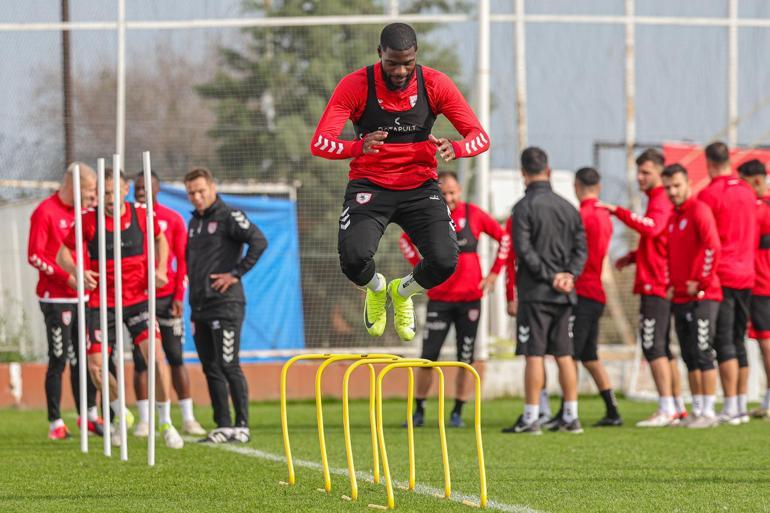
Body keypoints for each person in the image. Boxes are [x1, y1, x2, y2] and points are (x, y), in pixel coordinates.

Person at [310, 23, 489, 342]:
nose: (400, 70)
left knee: (446, 260)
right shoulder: (356, 85)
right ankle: (377, 290)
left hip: (419, 188)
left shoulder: (435, 84)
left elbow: (480, 137)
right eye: (392, 62)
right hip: (370, 187)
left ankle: (402, 292)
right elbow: (320, 142)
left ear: (416, 56)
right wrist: (357, 146)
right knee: (352, 260)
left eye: (408, 62)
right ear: (380, 54)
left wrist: (456, 147)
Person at [57, 170, 184, 449]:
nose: (111, 200)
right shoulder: (89, 220)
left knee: (156, 357)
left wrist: (161, 268)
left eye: (116, 192)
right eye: (105, 194)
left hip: (138, 299)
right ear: (98, 195)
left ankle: (165, 421)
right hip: (103, 302)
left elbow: (162, 239)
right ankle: (120, 413)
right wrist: (79, 272)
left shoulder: (142, 215)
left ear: (126, 189)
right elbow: (62, 254)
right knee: (96, 367)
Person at [399, 171, 509, 428]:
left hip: (470, 300)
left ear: (459, 191)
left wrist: (493, 275)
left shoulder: (474, 214)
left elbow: (504, 238)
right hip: (439, 299)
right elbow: (404, 240)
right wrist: (421, 270)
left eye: (452, 192)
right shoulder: (428, 214)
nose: (448, 198)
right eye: (444, 193)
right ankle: (419, 411)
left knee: (465, 358)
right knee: (428, 357)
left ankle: (458, 411)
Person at [502, 147, 587, 435]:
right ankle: (571, 416)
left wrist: (550, 278)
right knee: (565, 354)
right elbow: (581, 248)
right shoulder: (568, 207)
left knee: (534, 355)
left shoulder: (523, 208)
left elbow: (523, 251)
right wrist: (569, 276)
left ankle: (531, 417)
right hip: (564, 293)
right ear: (548, 170)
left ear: (523, 174)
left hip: (536, 293)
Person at [598, 149, 684, 427]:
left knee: (653, 347)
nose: (640, 177)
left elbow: (653, 228)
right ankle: (676, 405)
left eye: (646, 172)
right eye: (639, 172)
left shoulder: (661, 199)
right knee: (662, 348)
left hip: (656, 284)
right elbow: (659, 241)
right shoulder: (656, 199)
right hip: (658, 281)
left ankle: (667, 407)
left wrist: (617, 211)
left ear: (660, 172)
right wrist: (633, 257)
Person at [184, 167, 267, 443]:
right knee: (210, 366)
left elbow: (258, 241)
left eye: (200, 191)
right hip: (199, 306)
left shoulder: (229, 215)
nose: (196, 197)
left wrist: (235, 274)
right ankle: (223, 425)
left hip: (226, 304)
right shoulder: (194, 222)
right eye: (191, 193)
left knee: (229, 363)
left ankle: (242, 425)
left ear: (212, 189)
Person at [28, 162, 101, 440]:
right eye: (90, 191)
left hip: (83, 297)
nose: (93, 197)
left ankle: (89, 415)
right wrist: (66, 277)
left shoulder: (85, 214)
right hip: (56, 299)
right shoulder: (45, 212)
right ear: (73, 186)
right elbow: (35, 255)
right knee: (58, 358)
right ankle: (55, 422)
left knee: (85, 357)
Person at [546, 167, 622, 428]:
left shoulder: (581, 216)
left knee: (567, 353)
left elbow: (573, 252)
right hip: (597, 292)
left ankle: (568, 411)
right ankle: (612, 410)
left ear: (577, 187)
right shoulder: (605, 216)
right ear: (598, 187)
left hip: (581, 291)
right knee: (589, 355)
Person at [131, 171, 205, 437]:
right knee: (141, 360)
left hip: (167, 297)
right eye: (137, 188)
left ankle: (187, 417)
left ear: (156, 188)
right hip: (138, 298)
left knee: (174, 356)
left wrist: (178, 296)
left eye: (145, 187)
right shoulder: (128, 219)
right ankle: (144, 420)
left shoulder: (172, 219)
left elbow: (183, 261)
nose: (140, 191)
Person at [698, 142, 757, 424]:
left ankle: (731, 406)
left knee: (724, 342)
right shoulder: (748, 191)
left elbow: (705, 238)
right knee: (739, 339)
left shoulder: (710, 194)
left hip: (722, 276)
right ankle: (741, 405)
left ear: (709, 163)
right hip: (748, 275)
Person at [662, 164, 722, 428]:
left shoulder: (699, 210)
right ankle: (698, 409)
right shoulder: (674, 218)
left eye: (676, 186)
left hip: (704, 296)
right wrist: (671, 283)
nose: (672, 192)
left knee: (703, 351)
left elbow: (712, 246)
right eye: (667, 188)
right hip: (680, 298)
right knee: (688, 354)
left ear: (687, 183)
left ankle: (709, 411)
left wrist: (700, 281)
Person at [737, 159, 770, 418]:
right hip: (761, 284)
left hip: (761, 285)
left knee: (766, 343)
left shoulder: (758, 209)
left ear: (756, 180)